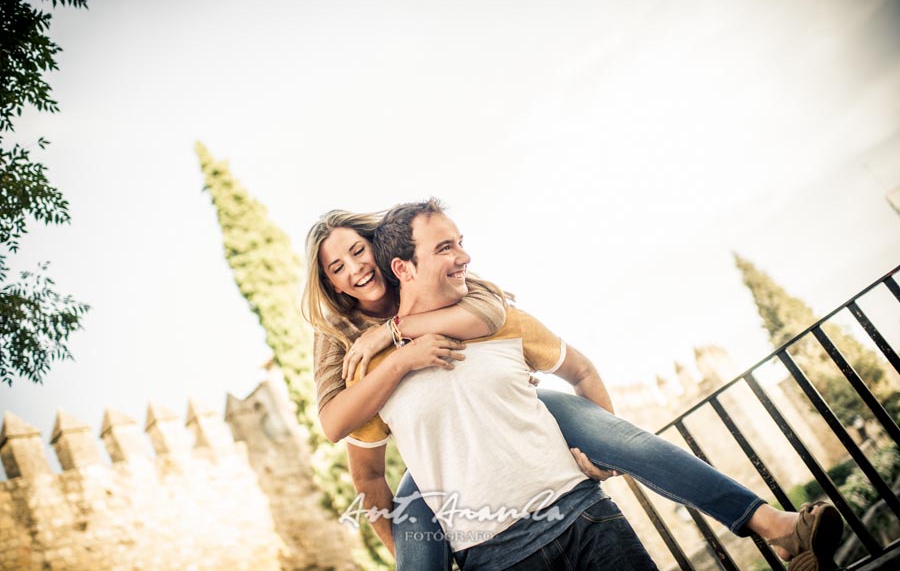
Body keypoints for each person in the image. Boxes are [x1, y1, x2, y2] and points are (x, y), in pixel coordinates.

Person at [301, 202, 843, 571]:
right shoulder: (342, 342)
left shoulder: (465, 293)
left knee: (593, 422)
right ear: (328, 282)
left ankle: (771, 523)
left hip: (530, 438)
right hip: (437, 461)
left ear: (389, 256)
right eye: (336, 267)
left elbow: (492, 313)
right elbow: (336, 427)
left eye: (357, 251)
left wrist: (400, 331)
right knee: (414, 512)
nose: (353, 268)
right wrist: (398, 360)